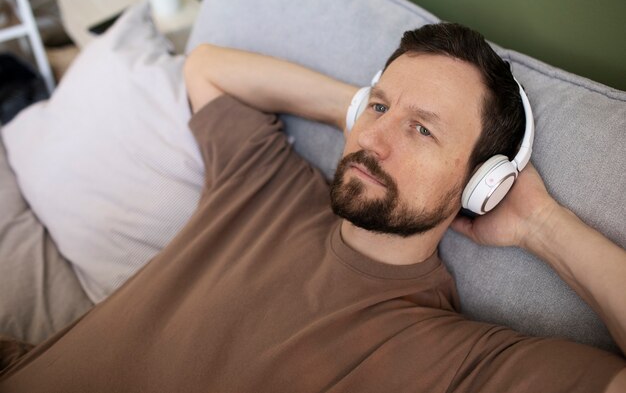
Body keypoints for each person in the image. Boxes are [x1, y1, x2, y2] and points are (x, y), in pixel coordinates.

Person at [1, 22, 625, 392]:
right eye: (377, 109)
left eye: (423, 131)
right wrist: (354, 105)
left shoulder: (456, 360)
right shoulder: (266, 183)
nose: (371, 142)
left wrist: (544, 226)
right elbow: (208, 69)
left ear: (480, 183)